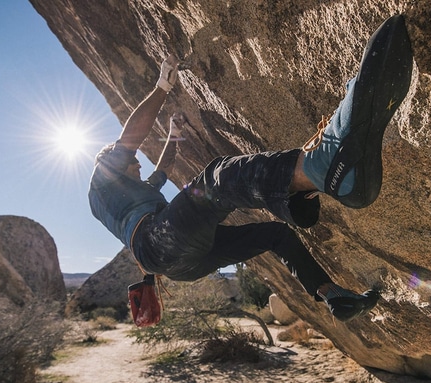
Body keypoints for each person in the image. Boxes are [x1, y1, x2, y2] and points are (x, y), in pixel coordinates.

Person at [89, 15, 413, 322]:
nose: (136, 164)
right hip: (158, 241)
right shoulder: (103, 177)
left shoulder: (134, 194)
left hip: (181, 264)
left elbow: (163, 168)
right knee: (215, 180)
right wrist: (161, 86)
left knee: (275, 235)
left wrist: (174, 133)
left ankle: (331, 294)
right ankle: (322, 167)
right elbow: (128, 139)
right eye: (131, 162)